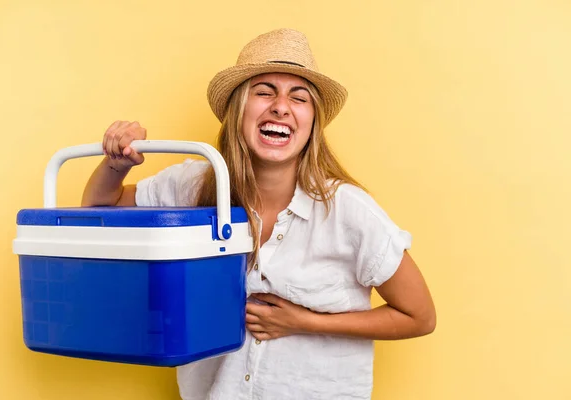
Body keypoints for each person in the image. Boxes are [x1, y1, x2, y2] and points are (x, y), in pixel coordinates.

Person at [82, 28, 436, 400]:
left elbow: (419, 316)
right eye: (264, 92)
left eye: (298, 98)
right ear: (239, 110)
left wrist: (303, 322)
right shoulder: (193, 185)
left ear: (312, 122)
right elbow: (97, 209)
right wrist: (116, 162)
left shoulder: (348, 211)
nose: (281, 106)